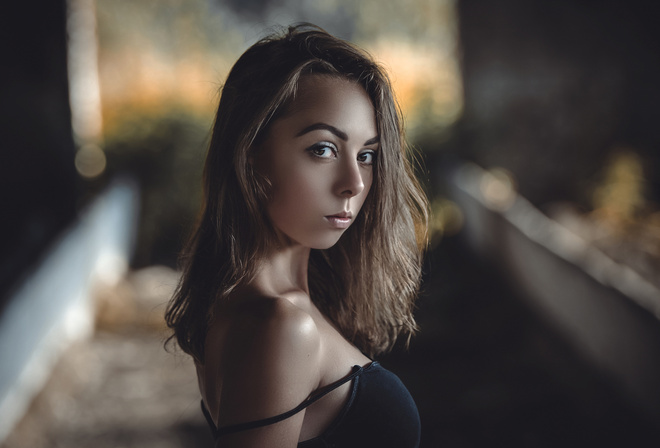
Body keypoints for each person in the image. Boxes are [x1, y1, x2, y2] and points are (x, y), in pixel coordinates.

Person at [165, 23, 428, 448]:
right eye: (322, 149)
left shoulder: (262, 308)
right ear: (251, 158)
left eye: (366, 156)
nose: (354, 183)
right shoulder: (280, 326)